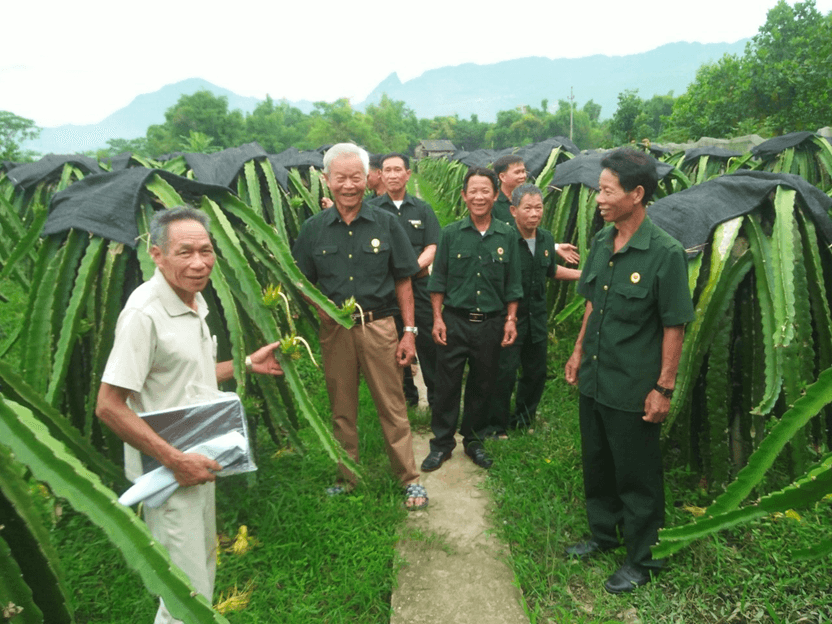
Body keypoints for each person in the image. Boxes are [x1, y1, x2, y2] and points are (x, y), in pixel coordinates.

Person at [95, 207, 285, 624]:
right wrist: (174, 460)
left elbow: (186, 373)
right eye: (185, 252)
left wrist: (246, 365)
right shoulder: (144, 315)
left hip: (198, 461)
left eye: (206, 250)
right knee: (186, 591)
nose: (199, 263)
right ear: (157, 255)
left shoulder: (191, 301)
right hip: (169, 473)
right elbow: (109, 405)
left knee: (200, 573)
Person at [563, 148, 695, 594]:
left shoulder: (665, 253)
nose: (598, 198)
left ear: (636, 194)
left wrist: (664, 387)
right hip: (596, 378)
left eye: (606, 190)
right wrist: (579, 352)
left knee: (637, 475)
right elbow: (593, 303)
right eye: (599, 189)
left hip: (633, 385)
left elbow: (674, 323)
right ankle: (604, 534)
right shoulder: (603, 241)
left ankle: (643, 558)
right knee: (598, 463)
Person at [291, 143, 428, 509]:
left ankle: (409, 478)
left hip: (379, 326)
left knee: (392, 405)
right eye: (340, 178)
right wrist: (318, 309)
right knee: (342, 406)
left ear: (369, 180)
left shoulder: (386, 224)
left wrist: (409, 332)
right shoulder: (313, 230)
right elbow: (301, 281)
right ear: (326, 180)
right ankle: (346, 476)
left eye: (355, 177)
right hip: (336, 330)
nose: (348, 185)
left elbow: (404, 280)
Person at [421, 167, 523, 472]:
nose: (479, 197)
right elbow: (438, 280)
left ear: (495, 195)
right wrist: (438, 319)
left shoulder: (507, 234)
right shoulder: (451, 233)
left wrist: (511, 319)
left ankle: (474, 440)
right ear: (464, 196)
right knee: (446, 384)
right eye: (473, 191)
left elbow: (513, 283)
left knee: (483, 384)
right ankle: (441, 444)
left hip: (491, 323)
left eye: (485, 191)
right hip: (455, 321)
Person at [487, 184, 581, 436]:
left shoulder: (547, 239)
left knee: (535, 371)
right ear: (513, 210)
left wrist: (583, 275)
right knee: (504, 372)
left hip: (537, 317)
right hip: (510, 319)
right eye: (527, 208)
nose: (534, 213)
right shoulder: (503, 239)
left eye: (538, 207)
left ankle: (524, 420)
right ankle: (497, 425)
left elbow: (551, 271)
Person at [369, 152, 441, 411]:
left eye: (397, 170)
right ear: (380, 175)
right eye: (386, 170)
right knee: (393, 339)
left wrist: (409, 270)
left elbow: (433, 246)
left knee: (428, 342)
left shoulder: (422, 209)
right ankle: (406, 397)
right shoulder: (372, 210)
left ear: (408, 174)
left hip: (420, 285)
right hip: (387, 289)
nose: (392, 175)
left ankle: (436, 399)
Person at [492, 155, 581, 265]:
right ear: (502, 177)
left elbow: (532, 237)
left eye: (524, 171)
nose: (523, 176)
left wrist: (555, 247)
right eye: (517, 172)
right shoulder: (492, 206)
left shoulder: (530, 199)